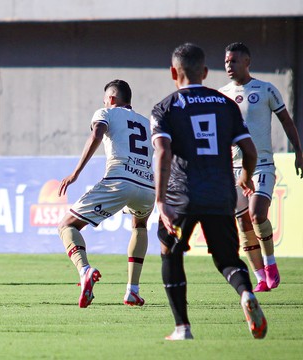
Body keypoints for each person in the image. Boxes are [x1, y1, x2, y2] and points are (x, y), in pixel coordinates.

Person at [152, 43, 267, 340]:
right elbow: (249, 150)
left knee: (170, 253)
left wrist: (161, 200)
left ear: (173, 72)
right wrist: (245, 176)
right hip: (220, 194)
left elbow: (162, 152)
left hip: (183, 196)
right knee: (228, 258)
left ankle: (182, 328)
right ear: (204, 72)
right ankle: (245, 294)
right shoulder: (226, 104)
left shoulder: (165, 107)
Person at [57, 80, 155, 308]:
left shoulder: (106, 112)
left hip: (119, 180)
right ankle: (133, 291)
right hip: (147, 185)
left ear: (111, 99)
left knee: (66, 226)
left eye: (105, 100)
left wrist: (75, 172)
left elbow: (96, 135)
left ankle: (85, 270)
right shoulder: (147, 122)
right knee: (140, 226)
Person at [219, 42, 303, 292]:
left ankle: (270, 264)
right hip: (233, 169)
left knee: (257, 214)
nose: (229, 66)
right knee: (243, 224)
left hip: (262, 164)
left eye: (233, 61)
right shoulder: (222, 94)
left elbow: (287, 122)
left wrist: (299, 151)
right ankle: (260, 278)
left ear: (247, 62)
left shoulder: (266, 90)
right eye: (226, 61)